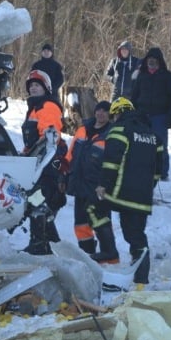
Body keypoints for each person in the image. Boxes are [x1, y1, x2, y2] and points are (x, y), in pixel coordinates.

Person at [95, 97, 161, 285]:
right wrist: (147, 188)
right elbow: (159, 169)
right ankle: (141, 274)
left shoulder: (119, 130)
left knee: (95, 209)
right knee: (137, 235)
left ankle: (136, 273)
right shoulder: (152, 135)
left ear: (116, 114)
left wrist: (103, 184)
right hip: (143, 196)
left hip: (122, 194)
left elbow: (111, 162)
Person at [19, 69, 67, 255]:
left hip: (50, 165)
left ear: (46, 88)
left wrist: (35, 155)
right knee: (38, 203)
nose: (33, 88)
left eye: (37, 85)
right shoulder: (34, 108)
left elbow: (49, 135)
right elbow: (32, 141)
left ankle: (39, 244)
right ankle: (52, 244)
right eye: (31, 86)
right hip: (40, 163)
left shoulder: (47, 106)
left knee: (37, 202)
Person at [65, 100, 119, 262]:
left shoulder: (111, 133)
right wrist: (64, 174)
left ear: (109, 114)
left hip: (98, 186)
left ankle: (110, 258)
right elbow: (70, 154)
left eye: (105, 111)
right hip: (79, 183)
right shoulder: (82, 130)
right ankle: (87, 256)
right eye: (98, 110)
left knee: (101, 222)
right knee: (81, 224)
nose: (101, 113)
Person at [130, 46, 171, 180]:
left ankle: (163, 172)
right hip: (142, 115)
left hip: (160, 116)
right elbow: (134, 96)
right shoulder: (141, 76)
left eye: (154, 60)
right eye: (149, 60)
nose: (151, 62)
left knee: (161, 146)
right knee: (141, 144)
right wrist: (132, 114)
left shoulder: (168, 76)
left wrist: (170, 116)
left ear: (159, 61)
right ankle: (142, 169)